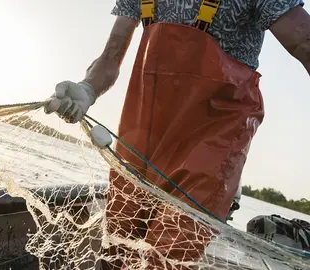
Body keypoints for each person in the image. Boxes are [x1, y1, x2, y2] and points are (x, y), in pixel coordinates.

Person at [45, 0, 310, 269]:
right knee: (115, 248)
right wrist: (88, 88)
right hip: (142, 136)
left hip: (212, 147)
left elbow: (304, 42)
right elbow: (111, 56)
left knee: (166, 259)